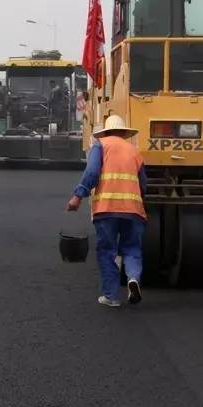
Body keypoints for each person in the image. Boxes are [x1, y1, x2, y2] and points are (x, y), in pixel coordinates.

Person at [66, 114, 147, 308]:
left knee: (107, 251)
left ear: (106, 131)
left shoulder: (101, 146)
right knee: (132, 249)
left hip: (107, 208)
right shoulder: (134, 151)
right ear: (123, 132)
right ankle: (133, 279)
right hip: (133, 210)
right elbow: (143, 183)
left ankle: (111, 296)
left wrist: (78, 196)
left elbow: (92, 173)